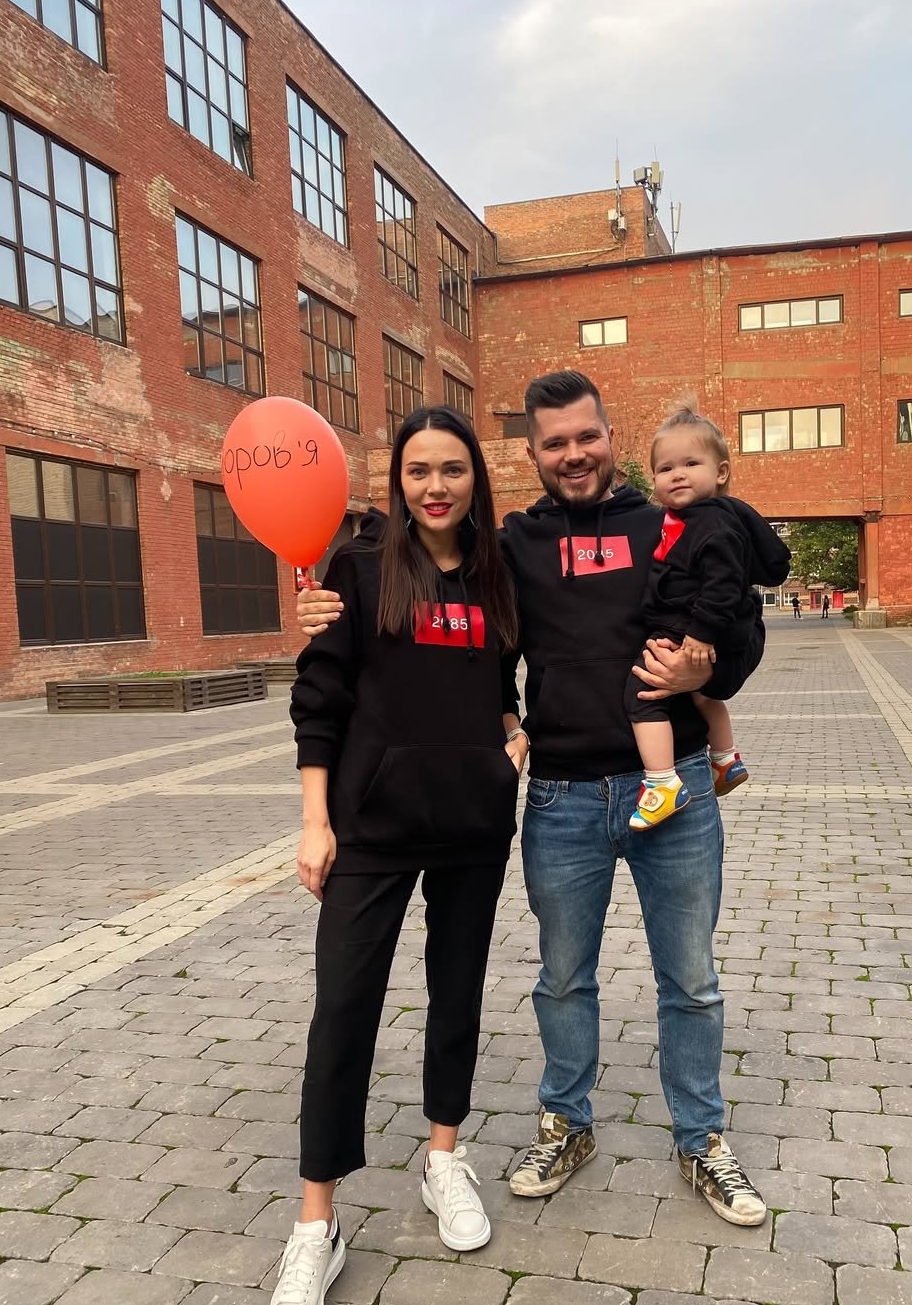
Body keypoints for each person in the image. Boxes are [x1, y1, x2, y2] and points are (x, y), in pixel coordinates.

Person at [297, 371, 767, 1229]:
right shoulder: (513, 545)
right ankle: (566, 1123)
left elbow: (740, 617)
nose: (573, 454)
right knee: (562, 979)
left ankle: (702, 1138)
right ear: (532, 454)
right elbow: (440, 585)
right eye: (555, 443)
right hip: (562, 795)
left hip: (674, 787)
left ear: (610, 436)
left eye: (586, 437)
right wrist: (329, 598)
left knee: (692, 980)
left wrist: (711, 666)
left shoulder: (671, 522)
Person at [264, 405, 525, 1305]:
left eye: (452, 469)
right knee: (344, 1010)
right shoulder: (360, 568)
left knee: (457, 995)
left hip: (471, 826)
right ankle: (316, 1224)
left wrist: (512, 736)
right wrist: (315, 820)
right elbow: (318, 698)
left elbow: (500, 685)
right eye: (419, 471)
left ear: (475, 477)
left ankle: (443, 1158)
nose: (436, 486)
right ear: (398, 481)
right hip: (370, 828)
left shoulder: (498, 574)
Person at [624, 403, 790, 830]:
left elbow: (724, 583)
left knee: (641, 693)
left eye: (690, 464)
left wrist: (701, 634)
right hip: (695, 629)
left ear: (721, 472)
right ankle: (726, 759)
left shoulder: (712, 524)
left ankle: (662, 783)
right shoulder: (689, 519)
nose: (677, 474)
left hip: (689, 629)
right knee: (700, 695)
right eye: (665, 468)